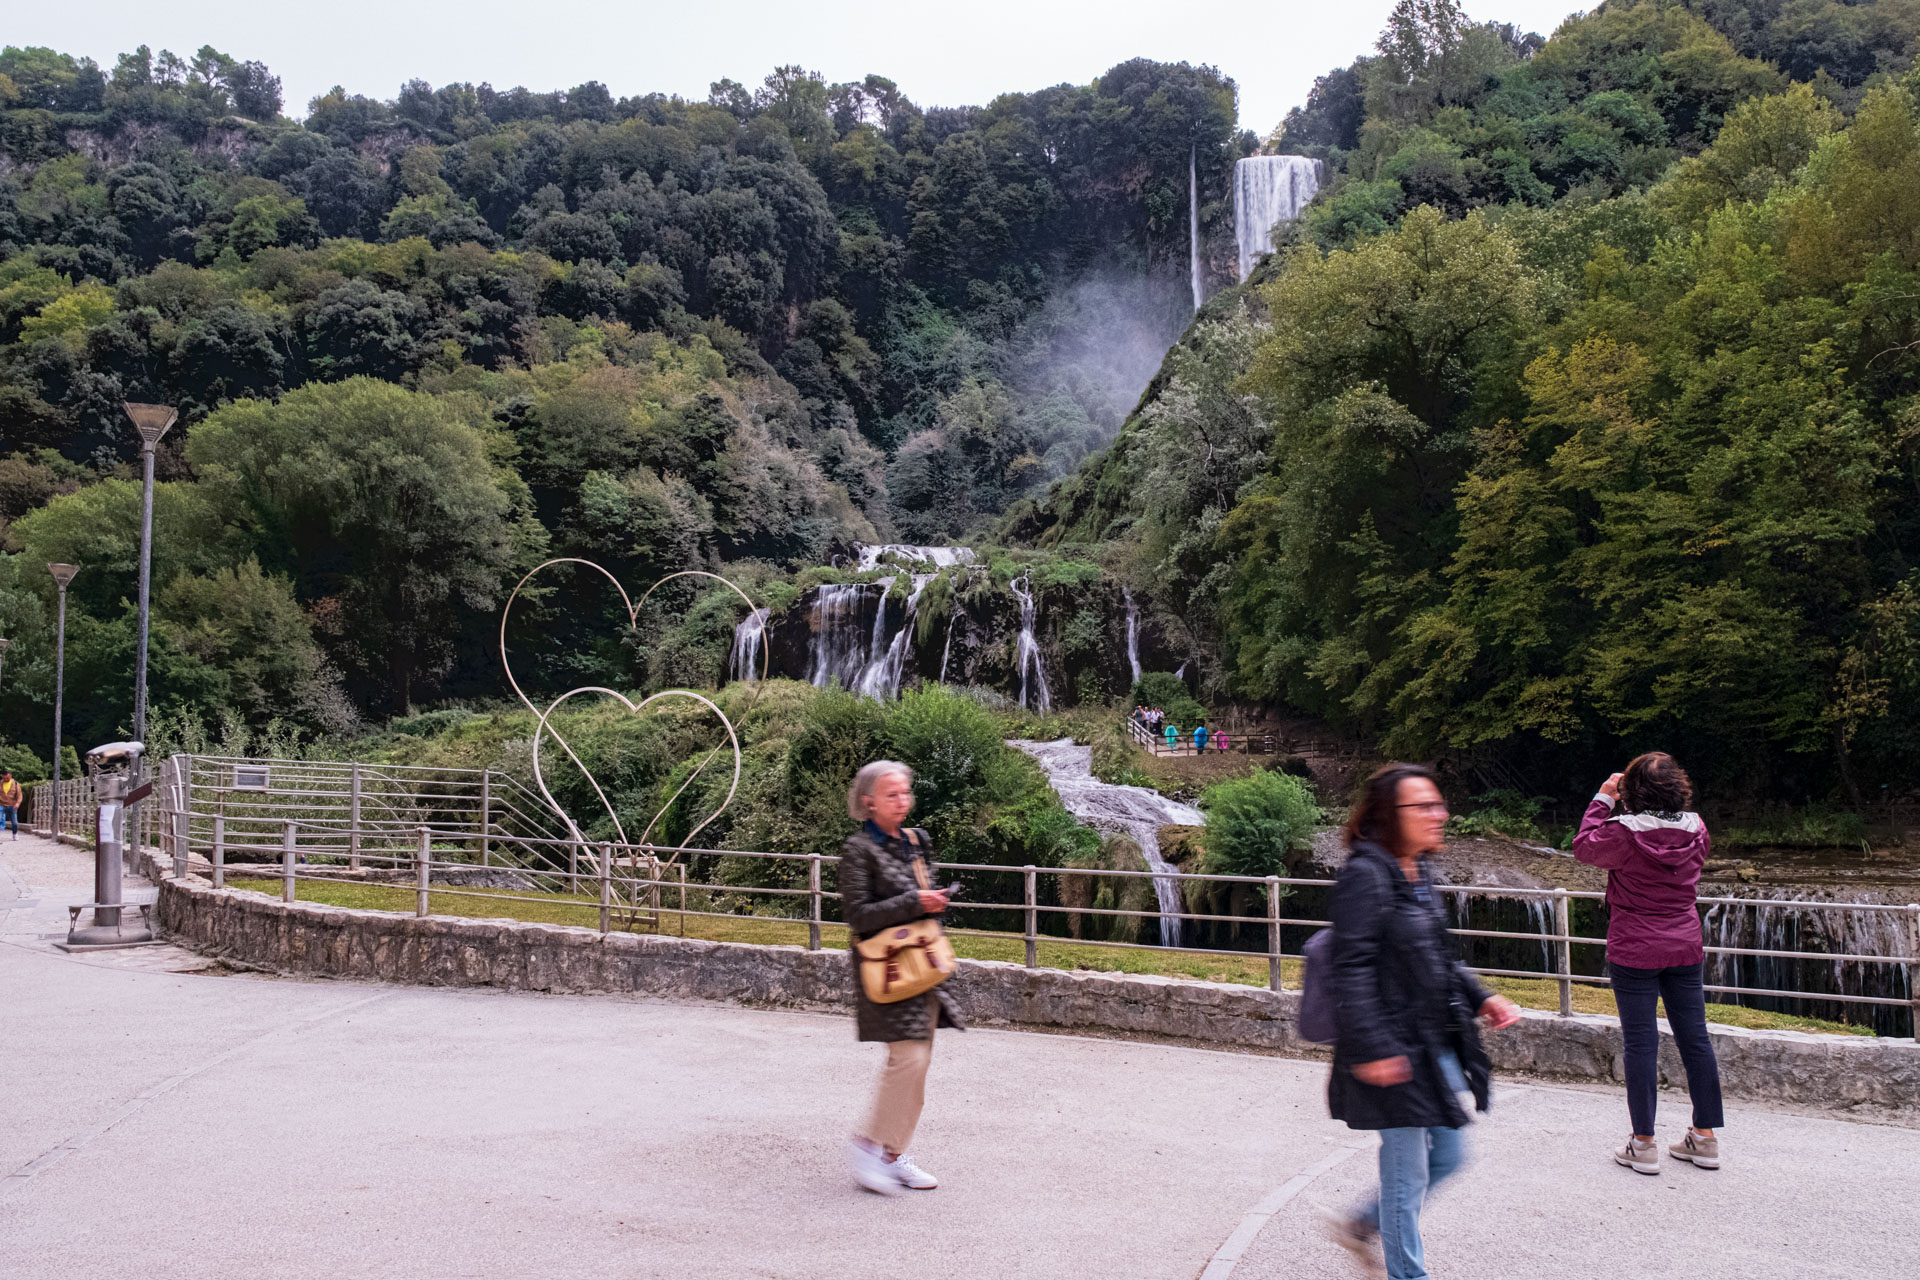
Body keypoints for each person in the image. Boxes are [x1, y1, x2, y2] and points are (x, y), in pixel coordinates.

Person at [1326, 763, 1519, 1280]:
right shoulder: (1365, 875)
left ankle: (1361, 1224)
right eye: (1425, 806)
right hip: (1389, 1049)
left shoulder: (1418, 871)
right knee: (1405, 1176)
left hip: (1431, 1042)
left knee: (1451, 1157)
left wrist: (1481, 997)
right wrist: (1373, 1047)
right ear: (1391, 814)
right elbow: (1352, 968)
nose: (1441, 814)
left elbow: (1438, 954)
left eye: (1439, 804)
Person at [1573, 752, 1723, 1175]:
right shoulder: (1698, 829)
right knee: (1696, 1038)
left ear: (1630, 793)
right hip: (1684, 945)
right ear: (1680, 788)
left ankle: (1643, 1143)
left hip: (1635, 947)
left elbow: (1583, 849)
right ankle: (1705, 1136)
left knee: (1641, 1043)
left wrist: (1603, 799)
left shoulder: (1622, 832)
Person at [841, 760, 963, 1194]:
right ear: (868, 801)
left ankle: (891, 1155)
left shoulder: (917, 840)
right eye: (892, 794)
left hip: (923, 964)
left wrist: (930, 901)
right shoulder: (859, 850)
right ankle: (867, 1147)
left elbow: (919, 900)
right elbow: (857, 915)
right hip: (888, 969)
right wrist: (916, 901)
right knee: (908, 1059)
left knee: (917, 1063)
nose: (902, 801)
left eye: (906, 793)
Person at [0, 770, 20, 839]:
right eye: (4, 778)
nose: (5, 779)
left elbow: (19, 795)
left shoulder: (16, 784)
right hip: (1, 805)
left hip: (12, 805)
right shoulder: (0, 783)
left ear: (10, 776)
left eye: (7, 778)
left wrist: (17, 803)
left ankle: (15, 834)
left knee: (14, 822)